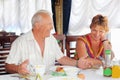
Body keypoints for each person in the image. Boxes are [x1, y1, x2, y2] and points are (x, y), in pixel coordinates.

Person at [5, 10, 92, 75]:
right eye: (49, 24)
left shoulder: (51, 39)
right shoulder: (20, 42)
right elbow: (8, 66)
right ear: (37, 26)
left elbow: (61, 58)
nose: (52, 27)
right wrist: (18, 69)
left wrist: (77, 63)